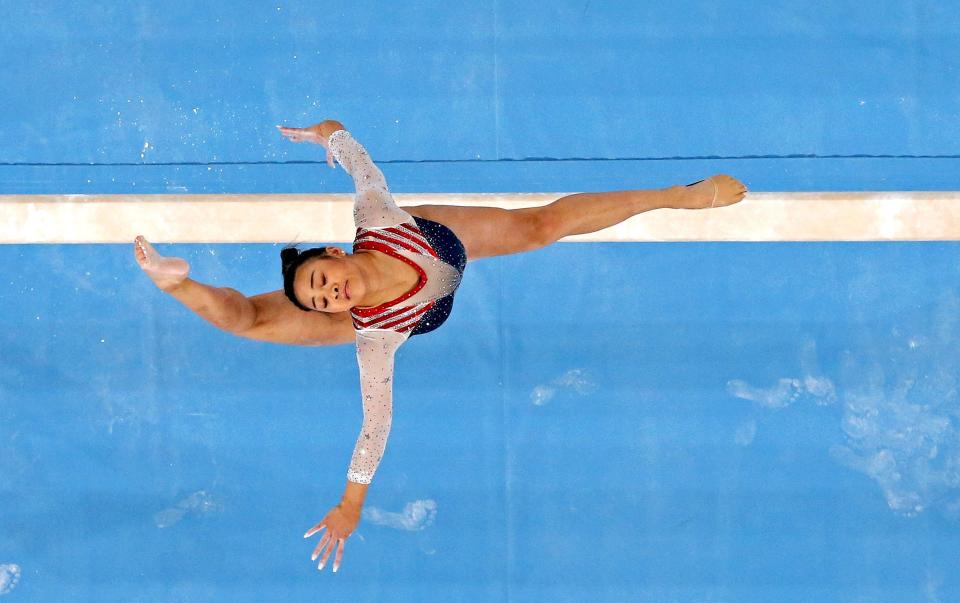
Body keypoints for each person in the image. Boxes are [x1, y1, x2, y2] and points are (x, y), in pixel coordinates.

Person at [134, 119, 747, 573]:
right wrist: (351, 504)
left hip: (433, 242)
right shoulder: (372, 334)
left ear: (336, 253)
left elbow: (361, 164)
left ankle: (676, 195)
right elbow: (376, 422)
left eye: (323, 281)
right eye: (323, 301)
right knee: (249, 319)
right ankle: (177, 282)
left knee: (540, 227)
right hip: (411, 306)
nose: (331, 293)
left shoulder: (377, 218)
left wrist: (332, 135)